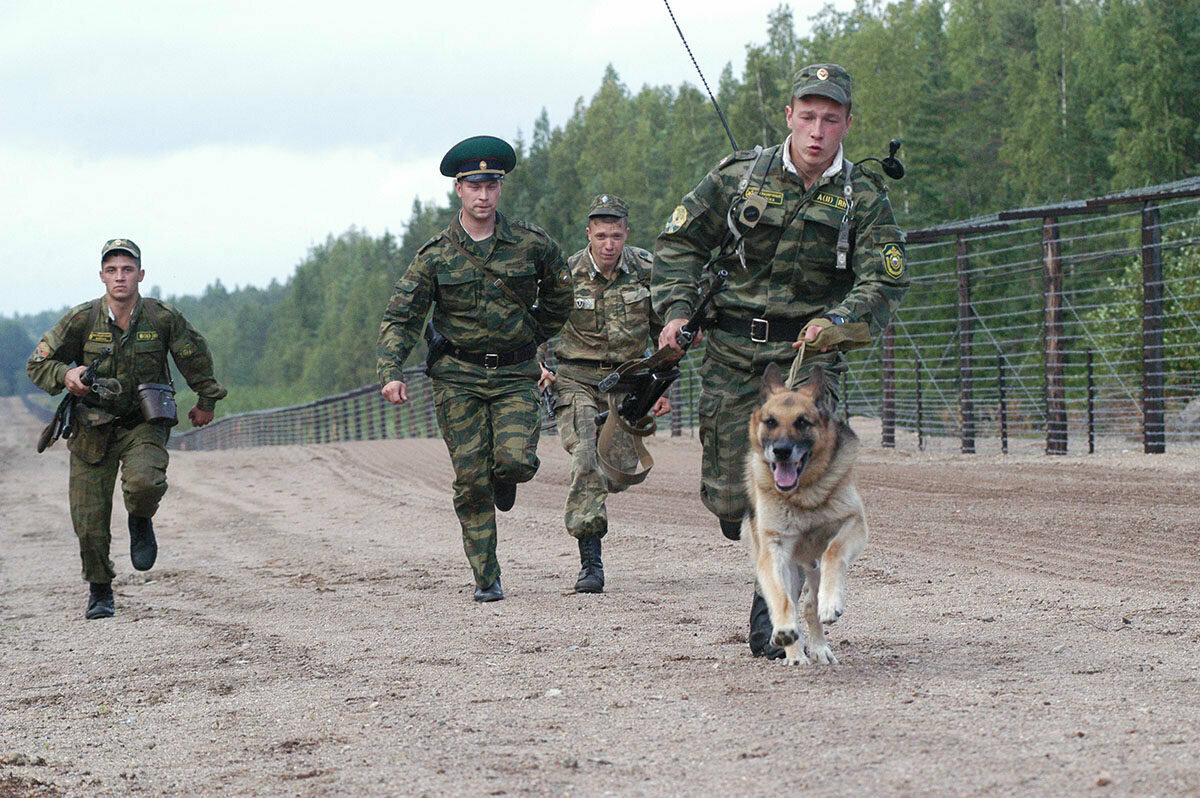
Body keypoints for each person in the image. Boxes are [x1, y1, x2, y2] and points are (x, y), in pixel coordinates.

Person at [652, 64, 909, 658]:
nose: (818, 130)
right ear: (789, 115)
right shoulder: (741, 176)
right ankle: (751, 529)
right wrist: (675, 308)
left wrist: (839, 322)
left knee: (795, 486)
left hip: (808, 362)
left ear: (847, 123)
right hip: (732, 354)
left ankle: (773, 613)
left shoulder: (863, 198)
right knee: (728, 496)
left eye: (831, 118)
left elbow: (885, 279)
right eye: (808, 115)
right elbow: (679, 244)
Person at [377, 135, 572, 603]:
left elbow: (561, 297)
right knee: (470, 479)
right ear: (458, 190)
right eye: (473, 185)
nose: (483, 195)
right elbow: (402, 317)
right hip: (457, 379)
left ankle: (506, 474)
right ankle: (487, 575)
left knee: (516, 461)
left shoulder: (531, 245)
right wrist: (392, 370)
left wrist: (530, 337)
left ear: (500, 189)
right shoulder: (436, 256)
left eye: (491, 185)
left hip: (513, 375)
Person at [27, 238, 226, 619]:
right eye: (112, 270)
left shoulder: (162, 318)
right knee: (89, 521)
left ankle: (140, 519)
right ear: (102, 276)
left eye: (128, 269)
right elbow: (38, 364)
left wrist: (206, 401)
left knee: (145, 483)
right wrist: (66, 374)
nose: (120, 277)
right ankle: (100, 591)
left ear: (141, 274)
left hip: (143, 424)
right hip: (91, 427)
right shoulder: (81, 319)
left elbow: (194, 357)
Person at [537, 194, 670, 594]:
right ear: (588, 235)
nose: (609, 244)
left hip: (628, 381)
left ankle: (600, 489)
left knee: (615, 472)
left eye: (616, 235)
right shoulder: (566, 274)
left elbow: (665, 331)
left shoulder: (646, 269)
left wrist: (661, 383)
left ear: (627, 233)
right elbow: (540, 323)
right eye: (601, 236)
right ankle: (590, 559)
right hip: (576, 379)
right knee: (585, 455)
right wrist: (540, 366)